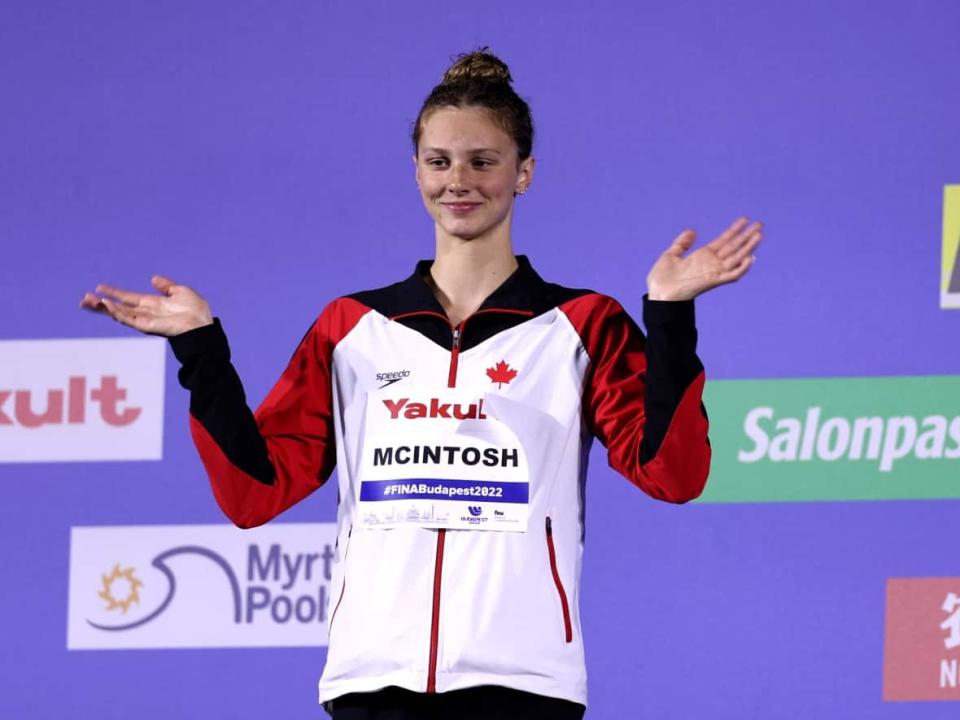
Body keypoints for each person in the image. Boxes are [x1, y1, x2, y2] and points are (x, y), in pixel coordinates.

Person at [81, 49, 761, 720]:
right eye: (439, 161)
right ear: (415, 172)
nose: (458, 180)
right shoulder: (351, 327)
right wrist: (200, 347)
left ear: (523, 172)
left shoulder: (581, 325)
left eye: (482, 160)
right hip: (372, 682)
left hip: (524, 685)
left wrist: (669, 315)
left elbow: (673, 475)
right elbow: (254, 491)